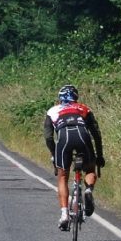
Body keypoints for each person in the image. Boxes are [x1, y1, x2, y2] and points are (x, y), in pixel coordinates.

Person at [44, 84, 105, 230]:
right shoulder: (84, 108)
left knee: (62, 176)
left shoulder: (53, 110)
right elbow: (96, 133)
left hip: (64, 139)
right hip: (82, 136)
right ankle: (88, 190)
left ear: (60, 99)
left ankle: (64, 214)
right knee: (90, 169)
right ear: (76, 97)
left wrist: (54, 153)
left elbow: (48, 136)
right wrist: (99, 155)